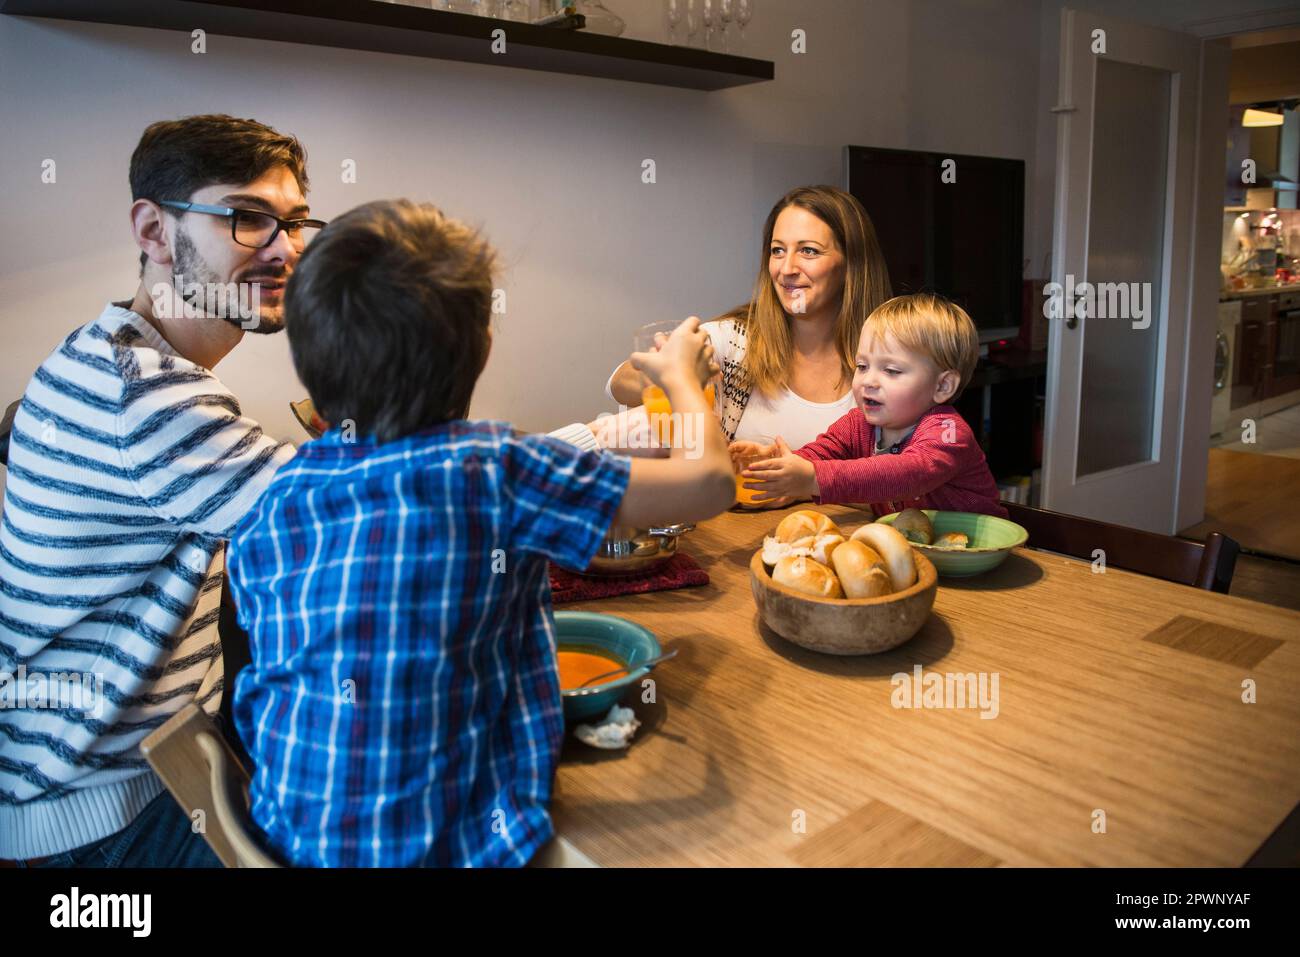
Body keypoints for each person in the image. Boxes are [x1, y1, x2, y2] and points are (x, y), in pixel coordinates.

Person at [226, 199, 735, 867]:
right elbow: (710, 483)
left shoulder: (271, 502)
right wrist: (682, 383)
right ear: (483, 346)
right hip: (454, 848)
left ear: (307, 362)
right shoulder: (490, 467)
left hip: (285, 840)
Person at [0, 114, 312, 867]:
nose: (286, 249)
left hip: (110, 782)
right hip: (108, 821)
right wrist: (618, 432)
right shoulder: (148, 399)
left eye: (295, 222)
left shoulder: (101, 351)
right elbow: (376, 514)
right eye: (247, 218)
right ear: (153, 229)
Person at [599, 185, 892, 506]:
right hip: (732, 543)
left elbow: (903, 486)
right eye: (777, 250)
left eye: (808, 251)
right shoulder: (737, 341)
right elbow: (618, 381)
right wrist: (670, 376)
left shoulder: (892, 362)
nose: (787, 268)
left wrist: (802, 478)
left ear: (852, 263)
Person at [737, 293, 1008, 519]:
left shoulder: (949, 433)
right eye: (862, 366)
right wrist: (778, 464)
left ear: (942, 386)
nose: (868, 380)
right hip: (917, 552)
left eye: (890, 370)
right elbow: (823, 452)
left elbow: (908, 473)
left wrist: (813, 478)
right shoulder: (858, 424)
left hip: (979, 560)